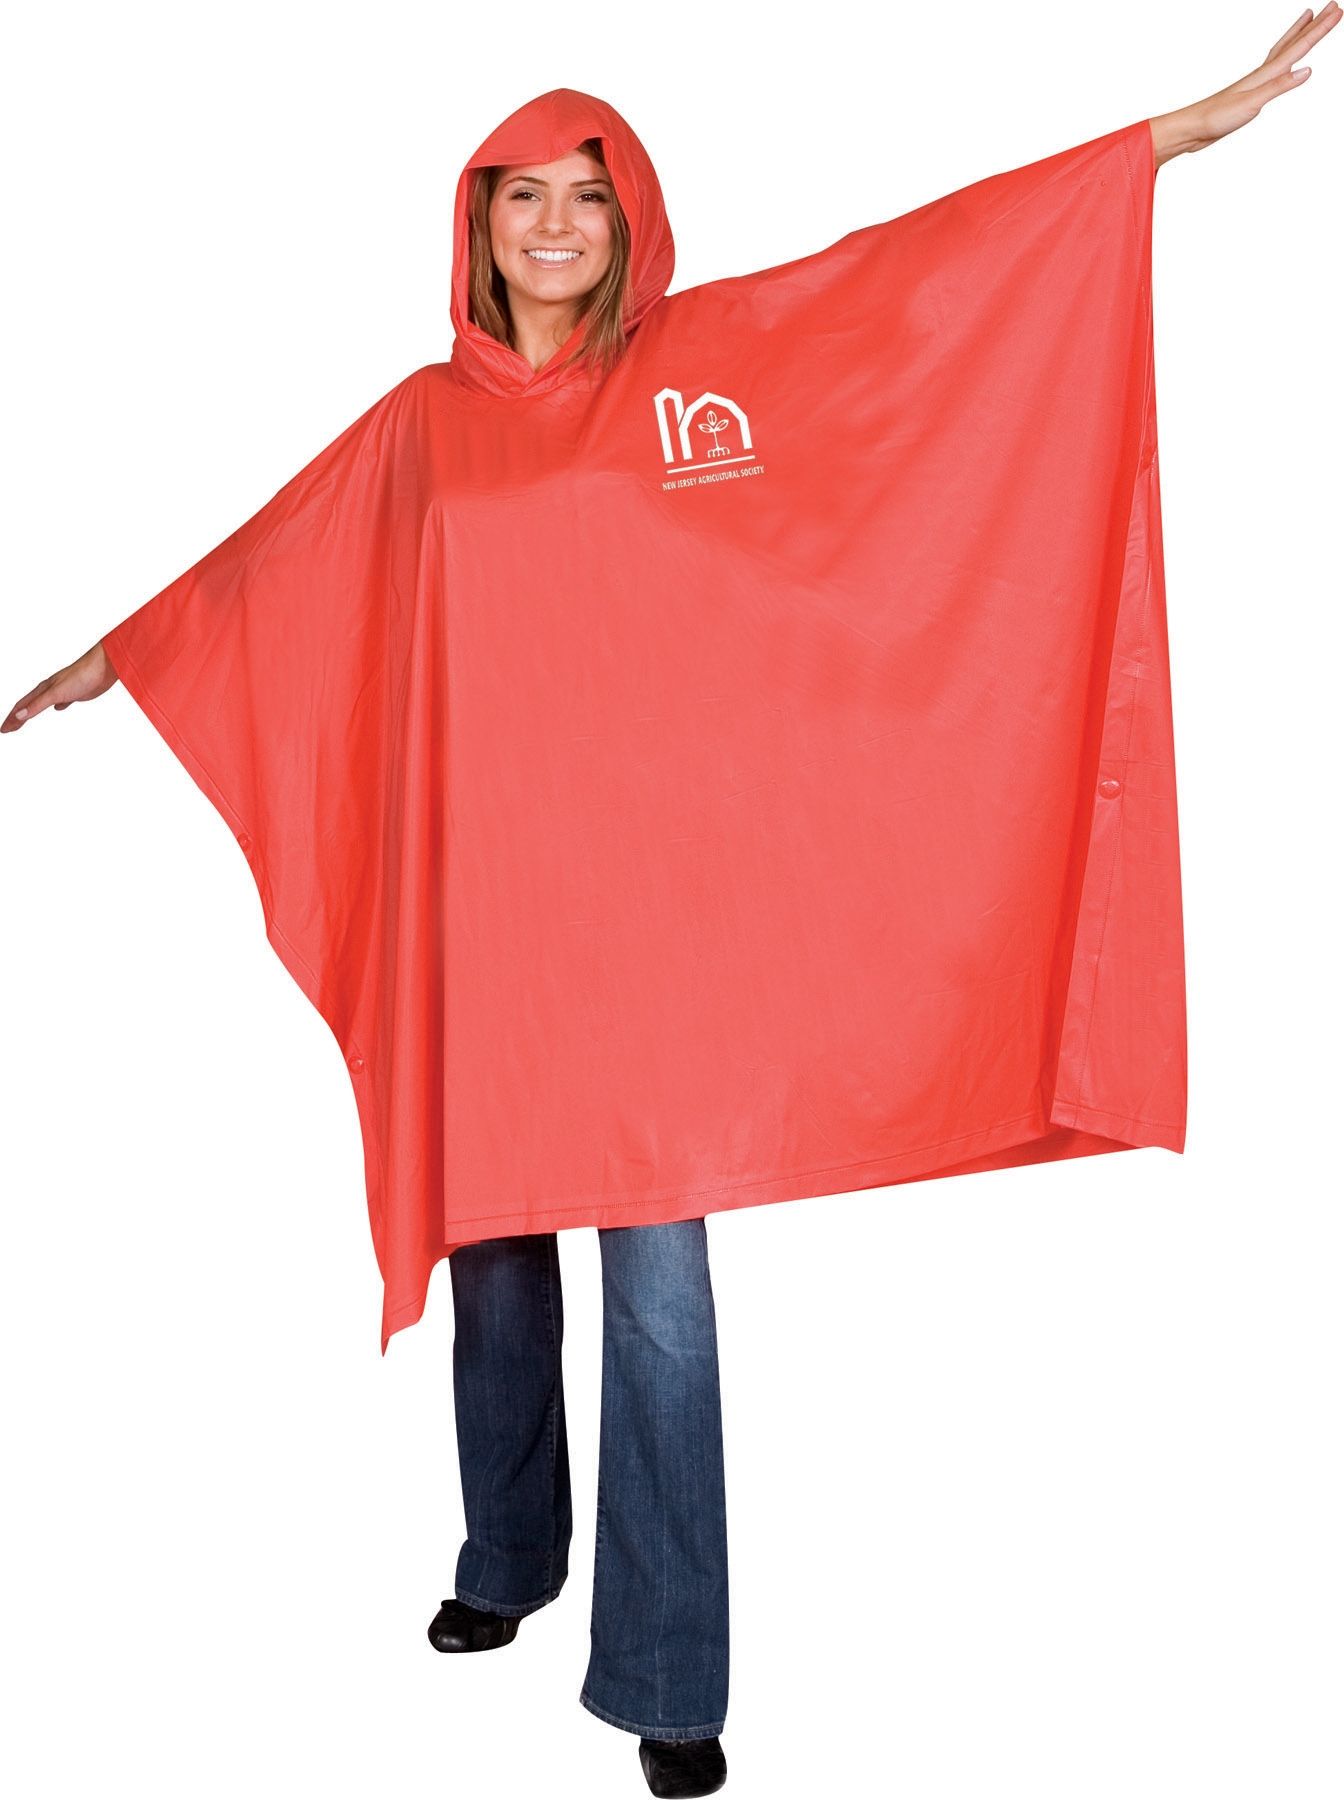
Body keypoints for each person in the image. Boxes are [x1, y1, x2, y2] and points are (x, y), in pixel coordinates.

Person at [4, 15, 1336, 1797]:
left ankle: (667, 1670)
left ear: (630, 220)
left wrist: (1156, 145)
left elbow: (916, 282)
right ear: (478, 225)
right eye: (523, 198)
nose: (555, 225)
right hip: (490, 925)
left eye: (588, 195)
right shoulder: (421, 429)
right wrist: (117, 655)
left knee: (658, 1304)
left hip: (654, 942)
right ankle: (508, 1559)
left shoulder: (712, 367)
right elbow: (276, 567)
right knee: (495, 1270)